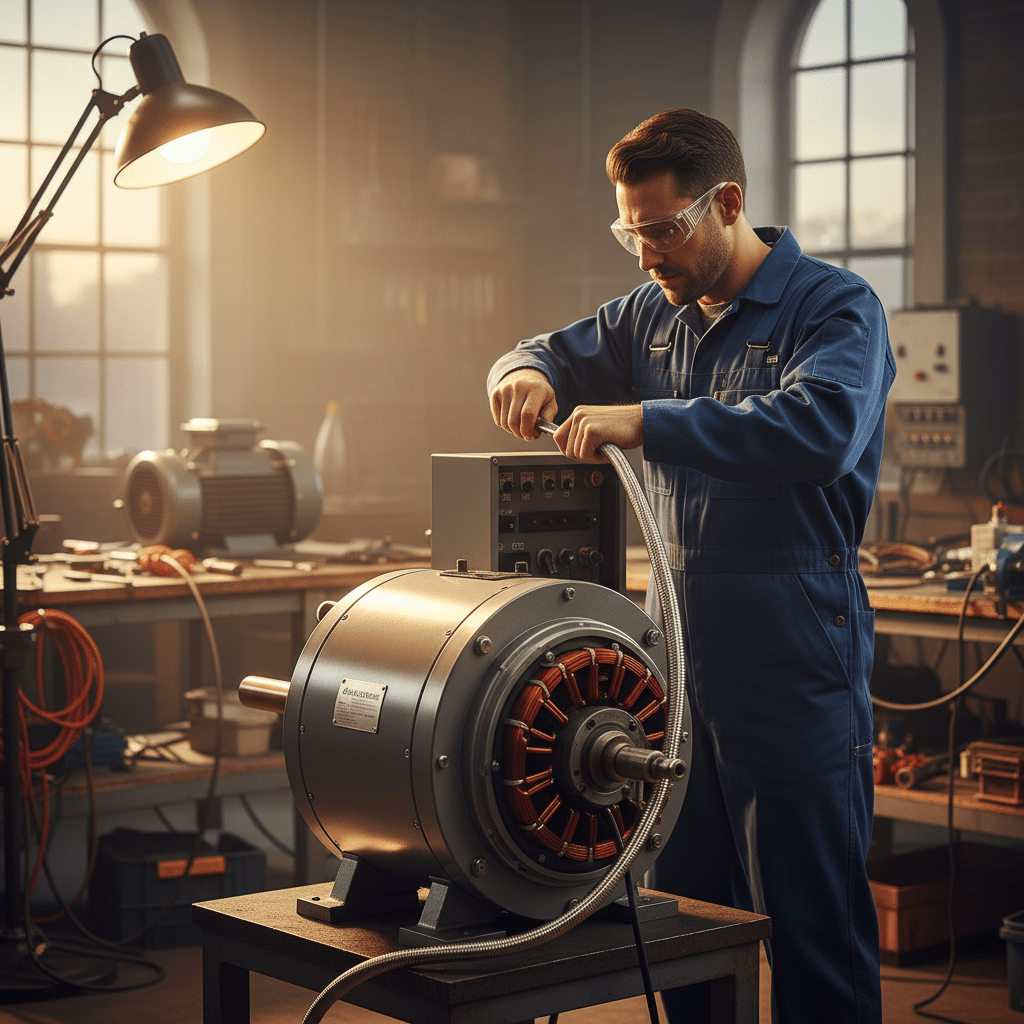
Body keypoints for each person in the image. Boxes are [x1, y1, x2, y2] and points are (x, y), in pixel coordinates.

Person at [487, 108, 893, 1023]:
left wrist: (646, 419)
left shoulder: (834, 308)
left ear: (728, 205)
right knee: (686, 931)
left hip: (794, 667)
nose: (644, 256)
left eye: (661, 231)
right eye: (629, 232)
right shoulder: (651, 316)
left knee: (812, 931)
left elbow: (820, 426)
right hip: (672, 677)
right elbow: (545, 348)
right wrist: (521, 374)